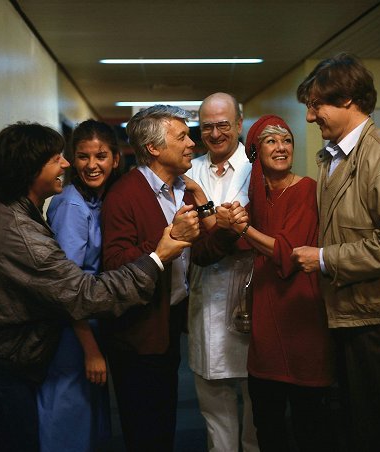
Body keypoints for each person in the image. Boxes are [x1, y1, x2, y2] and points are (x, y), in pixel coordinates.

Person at [0, 122, 190, 452]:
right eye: (59, 158)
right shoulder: (33, 227)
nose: (68, 165)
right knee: (42, 432)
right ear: (30, 168)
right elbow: (81, 295)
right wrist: (157, 257)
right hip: (2, 355)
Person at [292, 52, 380, 452]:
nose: (310, 117)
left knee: (378, 426)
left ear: (348, 99)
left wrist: (322, 258)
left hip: (378, 316)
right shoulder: (334, 156)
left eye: (317, 105)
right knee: (354, 420)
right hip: (351, 310)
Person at [101, 105, 240, 452]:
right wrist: (167, 240)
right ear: (154, 148)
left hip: (167, 327)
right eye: (182, 137)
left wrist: (226, 231)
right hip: (137, 335)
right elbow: (115, 266)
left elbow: (200, 254)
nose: (192, 143)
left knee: (164, 425)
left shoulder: (180, 190)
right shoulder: (124, 195)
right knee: (143, 429)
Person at [221, 115, 334, 452]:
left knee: (309, 426)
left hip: (302, 318)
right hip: (266, 322)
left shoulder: (305, 189)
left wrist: (241, 228)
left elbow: (290, 252)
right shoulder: (255, 198)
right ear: (255, 151)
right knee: (267, 425)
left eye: (286, 140)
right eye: (271, 141)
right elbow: (233, 243)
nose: (282, 147)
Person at [37, 119, 120, 451]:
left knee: (85, 415)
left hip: (88, 319)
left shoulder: (96, 199)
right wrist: (91, 350)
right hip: (73, 329)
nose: (92, 165)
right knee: (66, 415)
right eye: (83, 157)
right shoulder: (72, 203)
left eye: (100, 156)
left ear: (115, 157)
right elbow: (66, 287)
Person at [185, 92, 258, 452]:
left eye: (223, 125)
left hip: (250, 297)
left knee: (256, 401)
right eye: (207, 127)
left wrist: (212, 221)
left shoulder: (256, 166)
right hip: (204, 298)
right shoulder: (189, 172)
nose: (215, 134)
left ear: (239, 125)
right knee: (213, 406)